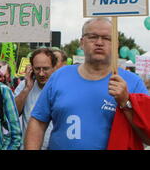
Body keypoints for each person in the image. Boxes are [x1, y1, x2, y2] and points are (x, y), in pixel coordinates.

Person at [25, 18, 150, 150]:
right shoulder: (59, 76)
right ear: (82, 42)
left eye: (107, 38)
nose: (99, 42)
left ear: (116, 44)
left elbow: (147, 137)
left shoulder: (132, 83)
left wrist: (126, 102)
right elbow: (38, 122)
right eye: (93, 37)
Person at [14, 48, 57, 149]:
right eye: (37, 69)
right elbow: (13, 113)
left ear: (54, 68)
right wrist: (27, 88)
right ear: (31, 68)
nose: (41, 74)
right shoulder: (24, 86)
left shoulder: (61, 87)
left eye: (45, 69)